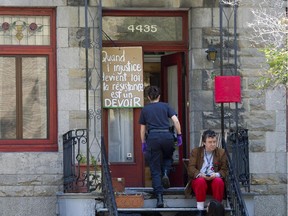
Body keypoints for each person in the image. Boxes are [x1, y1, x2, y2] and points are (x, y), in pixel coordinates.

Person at [139, 86, 182, 208]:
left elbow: (142, 129)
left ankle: (159, 197)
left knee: (154, 167)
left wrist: (143, 142)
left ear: (148, 97)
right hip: (167, 136)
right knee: (168, 157)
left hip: (153, 138)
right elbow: (176, 121)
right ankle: (166, 172)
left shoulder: (145, 110)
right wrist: (179, 135)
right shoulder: (166, 106)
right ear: (159, 96)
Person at [187, 129, 227, 216]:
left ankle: (217, 209)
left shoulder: (221, 152)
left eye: (214, 142)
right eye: (210, 142)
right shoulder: (196, 151)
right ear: (204, 142)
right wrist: (200, 175)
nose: (213, 144)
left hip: (214, 181)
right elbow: (191, 168)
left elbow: (224, 170)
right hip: (200, 182)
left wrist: (216, 175)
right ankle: (200, 210)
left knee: (219, 181)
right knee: (200, 180)